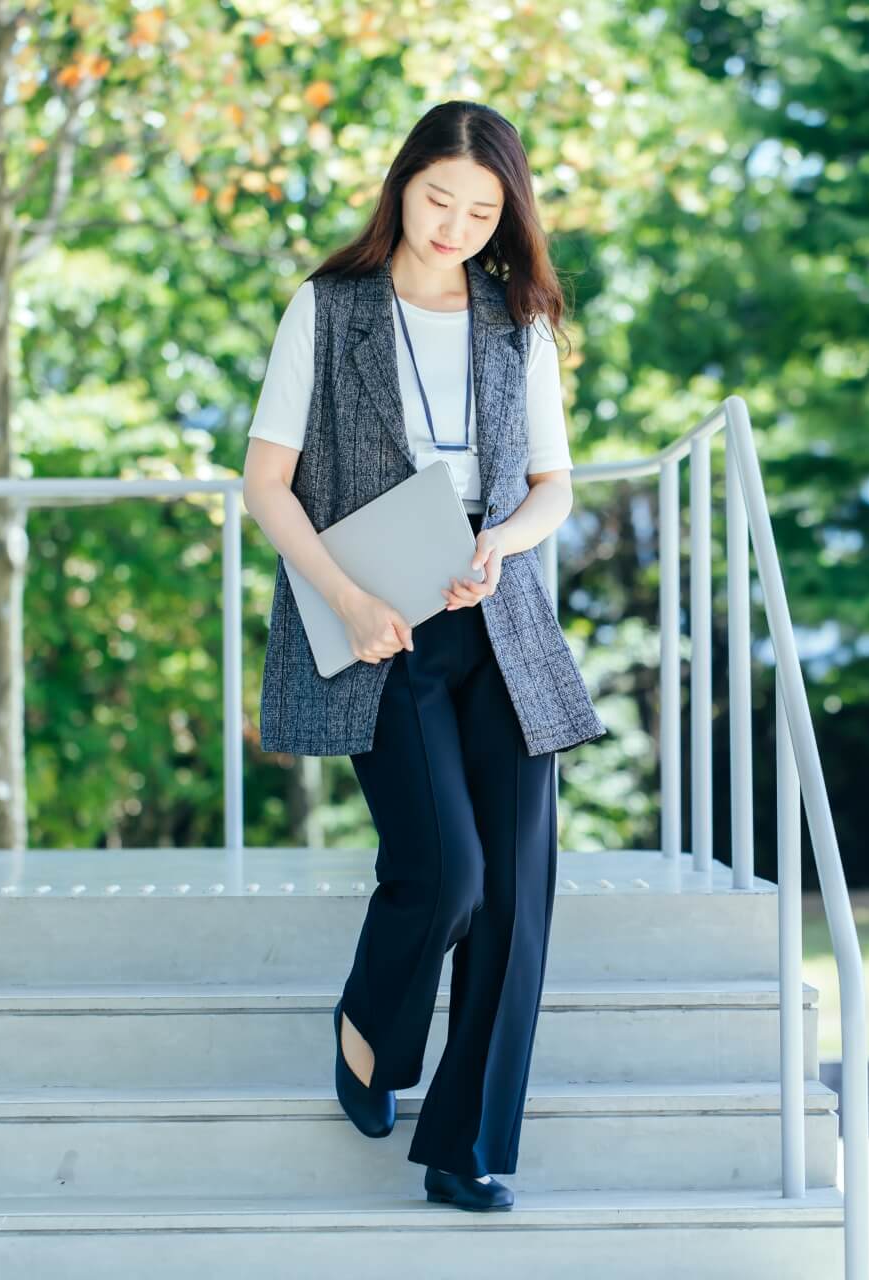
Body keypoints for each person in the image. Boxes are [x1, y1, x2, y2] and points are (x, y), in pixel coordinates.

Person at [239, 100, 607, 1212]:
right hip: (378, 624)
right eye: (438, 197)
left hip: (497, 617)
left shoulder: (518, 318)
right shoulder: (329, 305)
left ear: (508, 214)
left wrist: (507, 540)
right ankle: (369, 1022)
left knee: (514, 897)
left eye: (481, 208)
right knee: (446, 868)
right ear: (403, 185)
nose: (453, 223)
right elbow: (265, 481)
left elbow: (555, 485)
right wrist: (345, 601)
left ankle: (471, 1146)